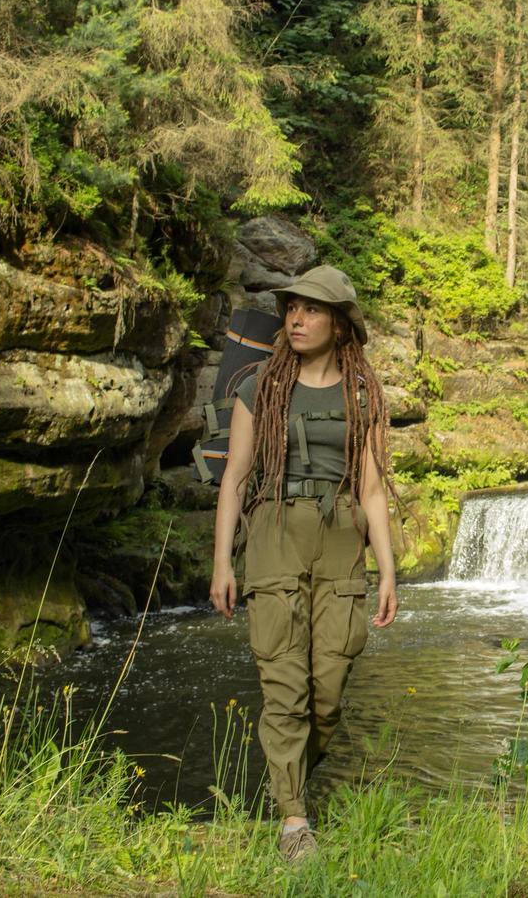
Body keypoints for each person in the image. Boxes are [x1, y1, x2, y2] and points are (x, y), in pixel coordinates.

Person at [210, 265, 399, 862]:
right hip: (273, 532)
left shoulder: (361, 394)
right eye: (292, 307)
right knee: (284, 685)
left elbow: (370, 488)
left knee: (328, 695)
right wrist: (223, 562)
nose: (296, 317)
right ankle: (294, 822)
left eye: (312, 309)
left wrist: (388, 569)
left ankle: (285, 785)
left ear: (341, 325)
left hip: (343, 536)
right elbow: (235, 479)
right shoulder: (259, 386)